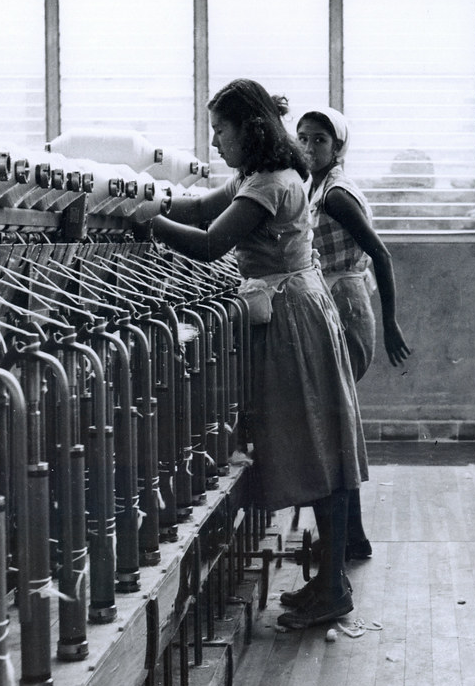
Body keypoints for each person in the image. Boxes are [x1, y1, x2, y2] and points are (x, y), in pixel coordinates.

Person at [149, 79, 366, 630]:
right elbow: (200, 208)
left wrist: (144, 223)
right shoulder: (256, 177)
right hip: (293, 309)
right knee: (318, 443)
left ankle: (334, 586)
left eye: (220, 130)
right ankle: (330, 581)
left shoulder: (273, 183)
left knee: (317, 444)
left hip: (294, 318)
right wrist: (145, 197)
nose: (216, 142)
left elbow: (208, 244)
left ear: (250, 129)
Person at [294, 107, 412, 563]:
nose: (309, 147)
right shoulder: (317, 187)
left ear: (337, 145)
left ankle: (343, 541)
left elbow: (380, 254)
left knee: (332, 430)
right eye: (302, 139)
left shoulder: (337, 194)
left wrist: (391, 322)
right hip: (339, 299)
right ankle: (350, 538)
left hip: (346, 305)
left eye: (319, 140)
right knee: (336, 427)